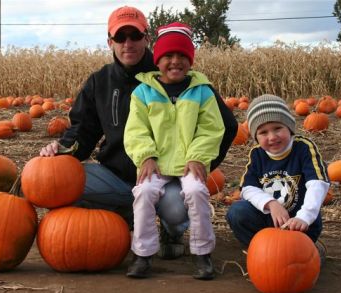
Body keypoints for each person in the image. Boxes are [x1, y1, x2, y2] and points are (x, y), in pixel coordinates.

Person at [40, 6, 237, 260]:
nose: (128, 43)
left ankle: (171, 229)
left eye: (135, 35)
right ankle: (125, 216)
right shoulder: (100, 82)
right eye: (121, 37)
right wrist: (62, 150)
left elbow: (226, 126)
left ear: (147, 38)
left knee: (177, 210)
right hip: (118, 175)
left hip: (171, 176)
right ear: (110, 41)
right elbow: (83, 131)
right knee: (59, 182)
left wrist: (199, 162)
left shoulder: (176, 77)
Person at [123, 22, 225, 280]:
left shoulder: (202, 92)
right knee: (144, 191)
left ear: (190, 60)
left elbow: (211, 128)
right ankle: (143, 254)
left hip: (189, 161)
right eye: (168, 55)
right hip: (156, 162)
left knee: (196, 190)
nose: (175, 61)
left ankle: (202, 253)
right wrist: (145, 155)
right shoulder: (143, 92)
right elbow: (136, 130)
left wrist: (198, 157)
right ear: (157, 60)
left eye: (182, 56)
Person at [225, 94, 329, 259]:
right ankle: (263, 253)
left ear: (289, 127)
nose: (272, 137)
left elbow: (318, 183)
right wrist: (271, 204)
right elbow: (247, 188)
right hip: (268, 220)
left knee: (299, 260)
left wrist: (305, 216)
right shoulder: (257, 154)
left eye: (277, 128)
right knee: (237, 213)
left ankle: (308, 250)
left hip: (299, 223)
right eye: (263, 132)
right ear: (256, 137)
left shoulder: (303, 148)